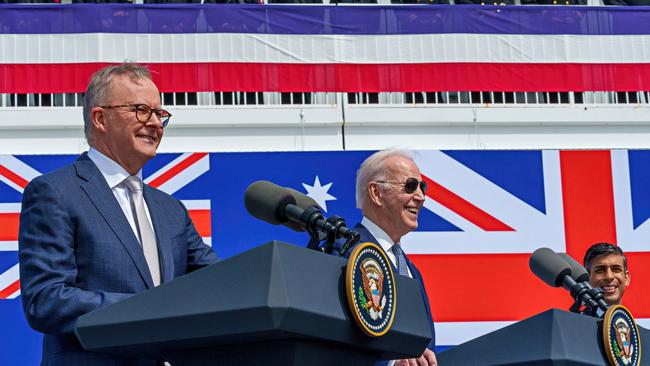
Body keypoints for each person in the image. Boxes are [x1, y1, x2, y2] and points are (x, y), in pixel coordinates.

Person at [18, 63, 219, 365]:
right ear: (100, 118)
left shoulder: (171, 210)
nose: (155, 123)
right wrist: (151, 308)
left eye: (159, 113)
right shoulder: (54, 192)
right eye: (141, 110)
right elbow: (46, 300)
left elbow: (221, 281)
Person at [340, 149, 437, 366]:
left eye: (422, 187)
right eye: (410, 186)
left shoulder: (412, 271)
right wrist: (391, 364)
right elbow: (334, 342)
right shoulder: (345, 253)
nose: (421, 197)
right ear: (376, 193)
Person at [584, 242, 630, 307]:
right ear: (587, 278)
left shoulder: (629, 317)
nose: (609, 276)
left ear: (626, 278)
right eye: (600, 270)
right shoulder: (572, 317)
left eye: (616, 269)